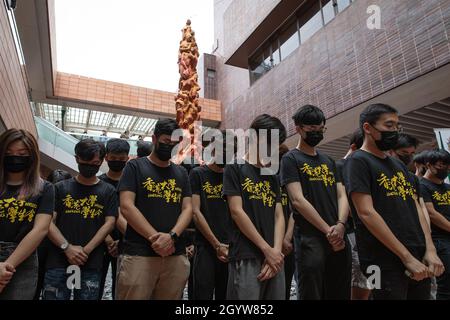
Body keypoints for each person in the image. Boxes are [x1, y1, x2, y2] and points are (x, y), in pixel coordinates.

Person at [344, 103, 444, 300]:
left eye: (397, 127)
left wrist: (430, 249)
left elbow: (416, 207)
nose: (395, 132)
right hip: (379, 258)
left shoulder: (397, 165)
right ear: (368, 128)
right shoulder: (357, 161)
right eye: (389, 126)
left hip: (417, 252)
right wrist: (405, 257)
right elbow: (366, 212)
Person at [116, 118, 192, 300]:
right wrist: (155, 239)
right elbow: (126, 206)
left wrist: (172, 236)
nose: (170, 147)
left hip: (175, 253)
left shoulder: (181, 173)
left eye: (175, 144)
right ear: (154, 139)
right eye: (166, 142)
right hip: (139, 253)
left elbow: (188, 208)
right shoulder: (134, 167)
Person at [281, 105, 351, 300]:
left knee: (340, 290)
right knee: (311, 293)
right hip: (310, 239)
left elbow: (341, 195)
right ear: (299, 129)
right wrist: (328, 231)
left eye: (320, 129)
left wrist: (340, 225)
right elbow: (297, 200)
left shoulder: (329, 161)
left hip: (338, 235)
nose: (317, 133)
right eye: (312, 129)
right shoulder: (290, 159)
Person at [43, 139, 118, 300]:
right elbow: (48, 222)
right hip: (58, 259)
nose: (91, 165)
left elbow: (110, 223)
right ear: (77, 158)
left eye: (95, 162)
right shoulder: (60, 188)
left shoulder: (108, 191)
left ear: (102, 161)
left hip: (90, 262)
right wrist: (67, 248)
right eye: (86, 161)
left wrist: (85, 251)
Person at [223, 114, 286, 300]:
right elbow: (237, 211)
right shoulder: (234, 168)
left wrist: (276, 250)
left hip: (275, 257)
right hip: (247, 254)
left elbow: (279, 215)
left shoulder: (271, 174)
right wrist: (267, 250)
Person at [0, 129, 54, 300]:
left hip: (23, 259)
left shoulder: (44, 188)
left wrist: (7, 266)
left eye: (21, 154)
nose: (14, 157)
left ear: (31, 156)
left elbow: (41, 229)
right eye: (8, 153)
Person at [190, 130, 232, 300]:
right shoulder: (198, 174)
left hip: (231, 248)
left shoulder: (233, 175)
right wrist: (216, 245)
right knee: (202, 294)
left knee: (227, 296)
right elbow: (195, 211)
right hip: (206, 246)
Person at [335, 129, 372, 300]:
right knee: (359, 282)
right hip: (352, 233)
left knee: (372, 282)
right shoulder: (340, 166)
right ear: (354, 147)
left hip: (371, 234)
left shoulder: (365, 167)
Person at [97, 138, 130, 300]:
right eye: (113, 159)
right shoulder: (99, 182)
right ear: (106, 157)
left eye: (121, 159)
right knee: (96, 285)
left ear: (127, 158)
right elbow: (96, 215)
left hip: (128, 242)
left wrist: (122, 240)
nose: (117, 162)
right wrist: (109, 240)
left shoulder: (132, 182)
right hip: (101, 242)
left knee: (122, 289)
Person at [34, 169, 72, 300]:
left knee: (58, 290)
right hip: (40, 248)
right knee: (35, 285)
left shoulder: (69, 203)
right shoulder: (40, 199)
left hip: (60, 254)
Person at [420, 149, 450, 300]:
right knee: (445, 285)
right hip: (438, 240)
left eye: (447, 166)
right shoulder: (422, 185)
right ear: (428, 165)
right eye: (440, 166)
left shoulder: (447, 187)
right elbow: (431, 213)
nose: (444, 169)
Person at [278, 144, 296, 300]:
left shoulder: (288, 181)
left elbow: (294, 211)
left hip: (288, 244)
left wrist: (287, 238)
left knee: (285, 285)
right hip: (270, 243)